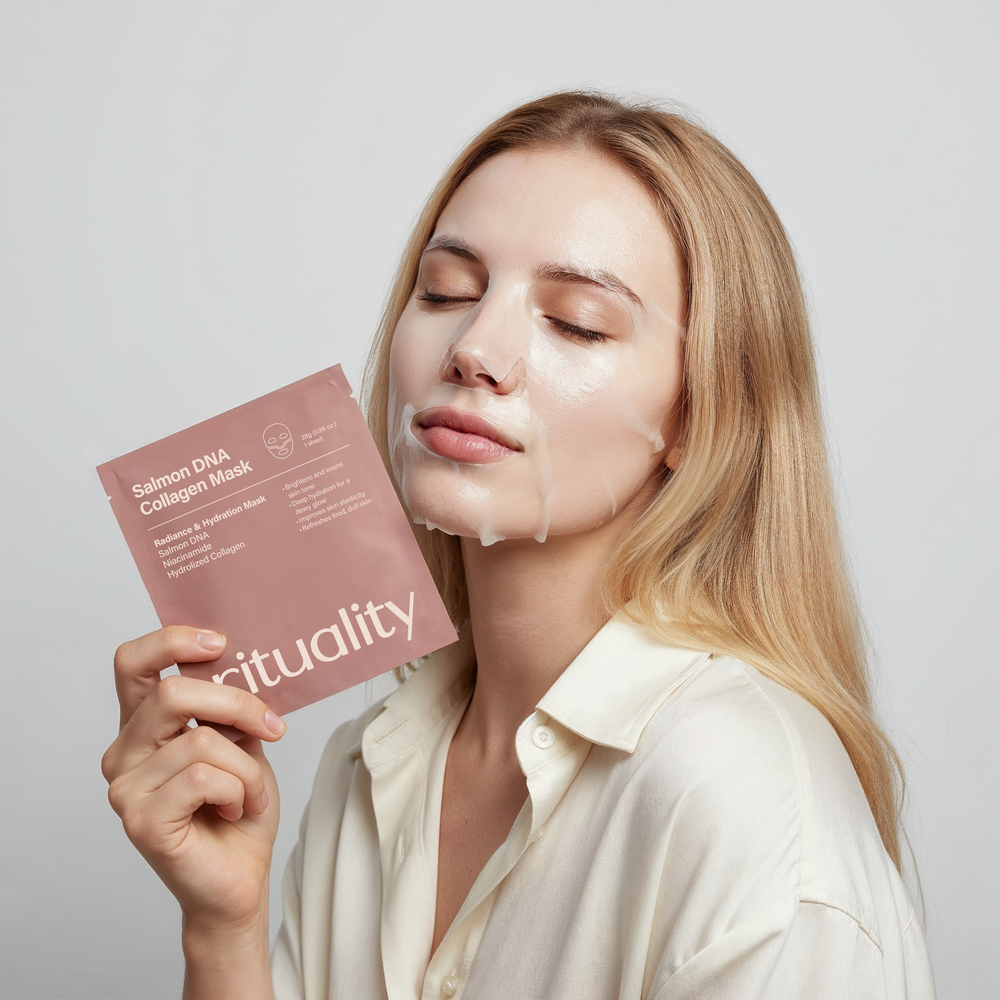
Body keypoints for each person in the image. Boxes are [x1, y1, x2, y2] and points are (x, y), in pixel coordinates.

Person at [101, 91, 936, 999]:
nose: (474, 347)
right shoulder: (366, 763)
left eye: (576, 320)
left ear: (705, 417)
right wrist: (224, 934)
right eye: (446, 291)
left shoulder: (743, 800)